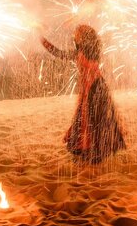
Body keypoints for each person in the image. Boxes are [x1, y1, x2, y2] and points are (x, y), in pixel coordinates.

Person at [40, 25, 126, 163]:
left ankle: (97, 150)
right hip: (86, 89)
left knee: (95, 120)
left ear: (85, 37)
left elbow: (91, 69)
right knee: (85, 119)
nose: (75, 36)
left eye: (78, 34)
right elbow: (58, 53)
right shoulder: (78, 52)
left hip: (96, 88)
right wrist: (42, 40)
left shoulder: (92, 51)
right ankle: (87, 149)